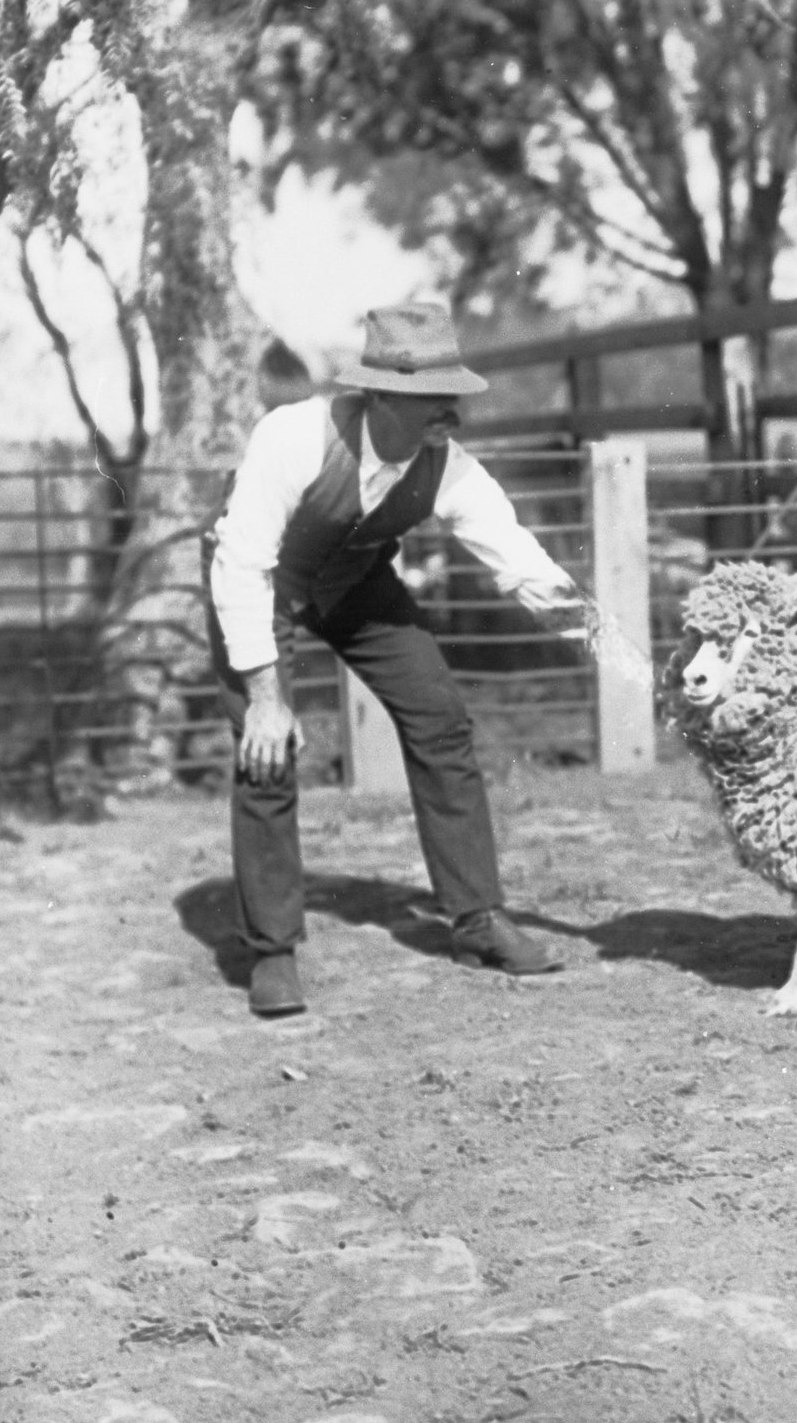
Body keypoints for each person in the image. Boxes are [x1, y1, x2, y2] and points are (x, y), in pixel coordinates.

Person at [203, 301, 580, 1016]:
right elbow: (245, 562)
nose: (452, 416)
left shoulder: (448, 467)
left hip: (351, 581)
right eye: (433, 401)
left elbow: (521, 561)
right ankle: (273, 950)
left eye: (454, 398)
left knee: (440, 714)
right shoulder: (293, 437)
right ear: (380, 395)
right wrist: (265, 694)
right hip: (257, 585)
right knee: (267, 748)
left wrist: (605, 642)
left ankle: (477, 917)